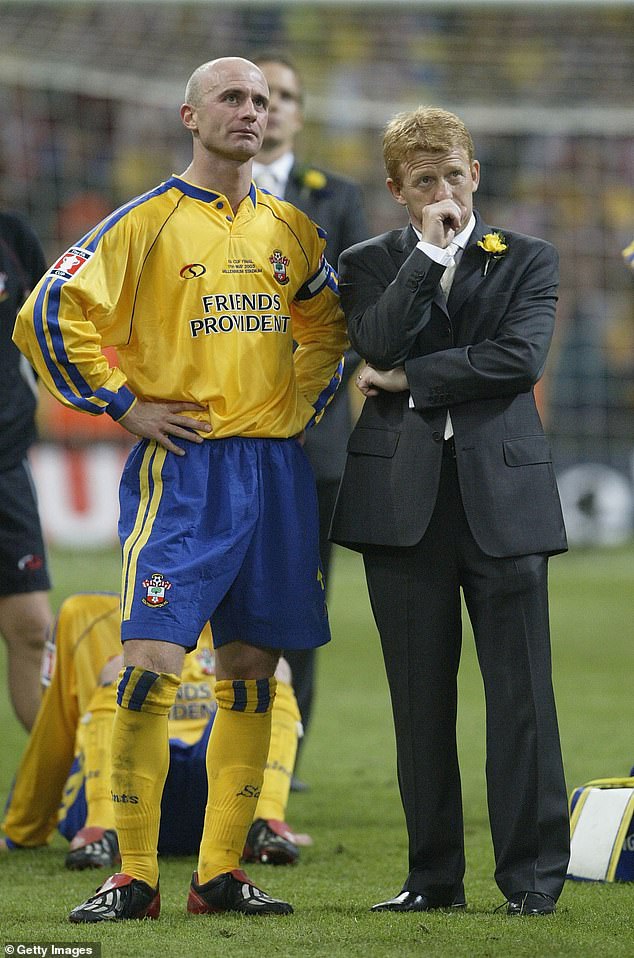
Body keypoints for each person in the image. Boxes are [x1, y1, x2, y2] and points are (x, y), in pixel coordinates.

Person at [13, 56, 347, 922]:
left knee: (252, 674)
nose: (251, 111)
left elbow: (329, 328)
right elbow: (47, 311)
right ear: (190, 115)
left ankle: (219, 874)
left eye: (261, 100)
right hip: (186, 472)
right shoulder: (145, 221)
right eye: (232, 97)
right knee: (150, 667)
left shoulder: (293, 230)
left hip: (274, 473)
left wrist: (300, 403)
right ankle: (132, 876)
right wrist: (124, 403)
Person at [330, 106, 570, 916]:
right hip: (402, 505)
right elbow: (377, 339)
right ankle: (432, 879)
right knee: (419, 703)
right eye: (424, 181)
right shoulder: (367, 263)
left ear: (476, 176)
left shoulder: (527, 257)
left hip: (505, 501)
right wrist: (429, 256)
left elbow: (520, 359)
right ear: (397, 189)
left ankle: (531, 880)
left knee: (523, 699)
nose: (444, 193)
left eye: (454, 176)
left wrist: (412, 381)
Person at [251, 52, 369, 780]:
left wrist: (303, 398)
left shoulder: (337, 198)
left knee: (301, 597)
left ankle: (284, 759)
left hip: (311, 436)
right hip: (221, 435)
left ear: (299, 113)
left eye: (284, 95)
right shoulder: (195, 198)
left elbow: (355, 316)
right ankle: (205, 743)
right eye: (259, 95)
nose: (270, 108)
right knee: (216, 594)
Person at [1, 592, 309, 868]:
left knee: (274, 672)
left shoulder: (239, 615)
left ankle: (265, 822)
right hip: (115, 786)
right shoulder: (84, 614)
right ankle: (101, 828)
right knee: (120, 671)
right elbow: (54, 731)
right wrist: (23, 829)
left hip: (215, 796)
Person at [0, 210, 53, 731]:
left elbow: (47, 327)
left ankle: (53, 774)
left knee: (34, 629)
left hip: (6, 468)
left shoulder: (13, 235)